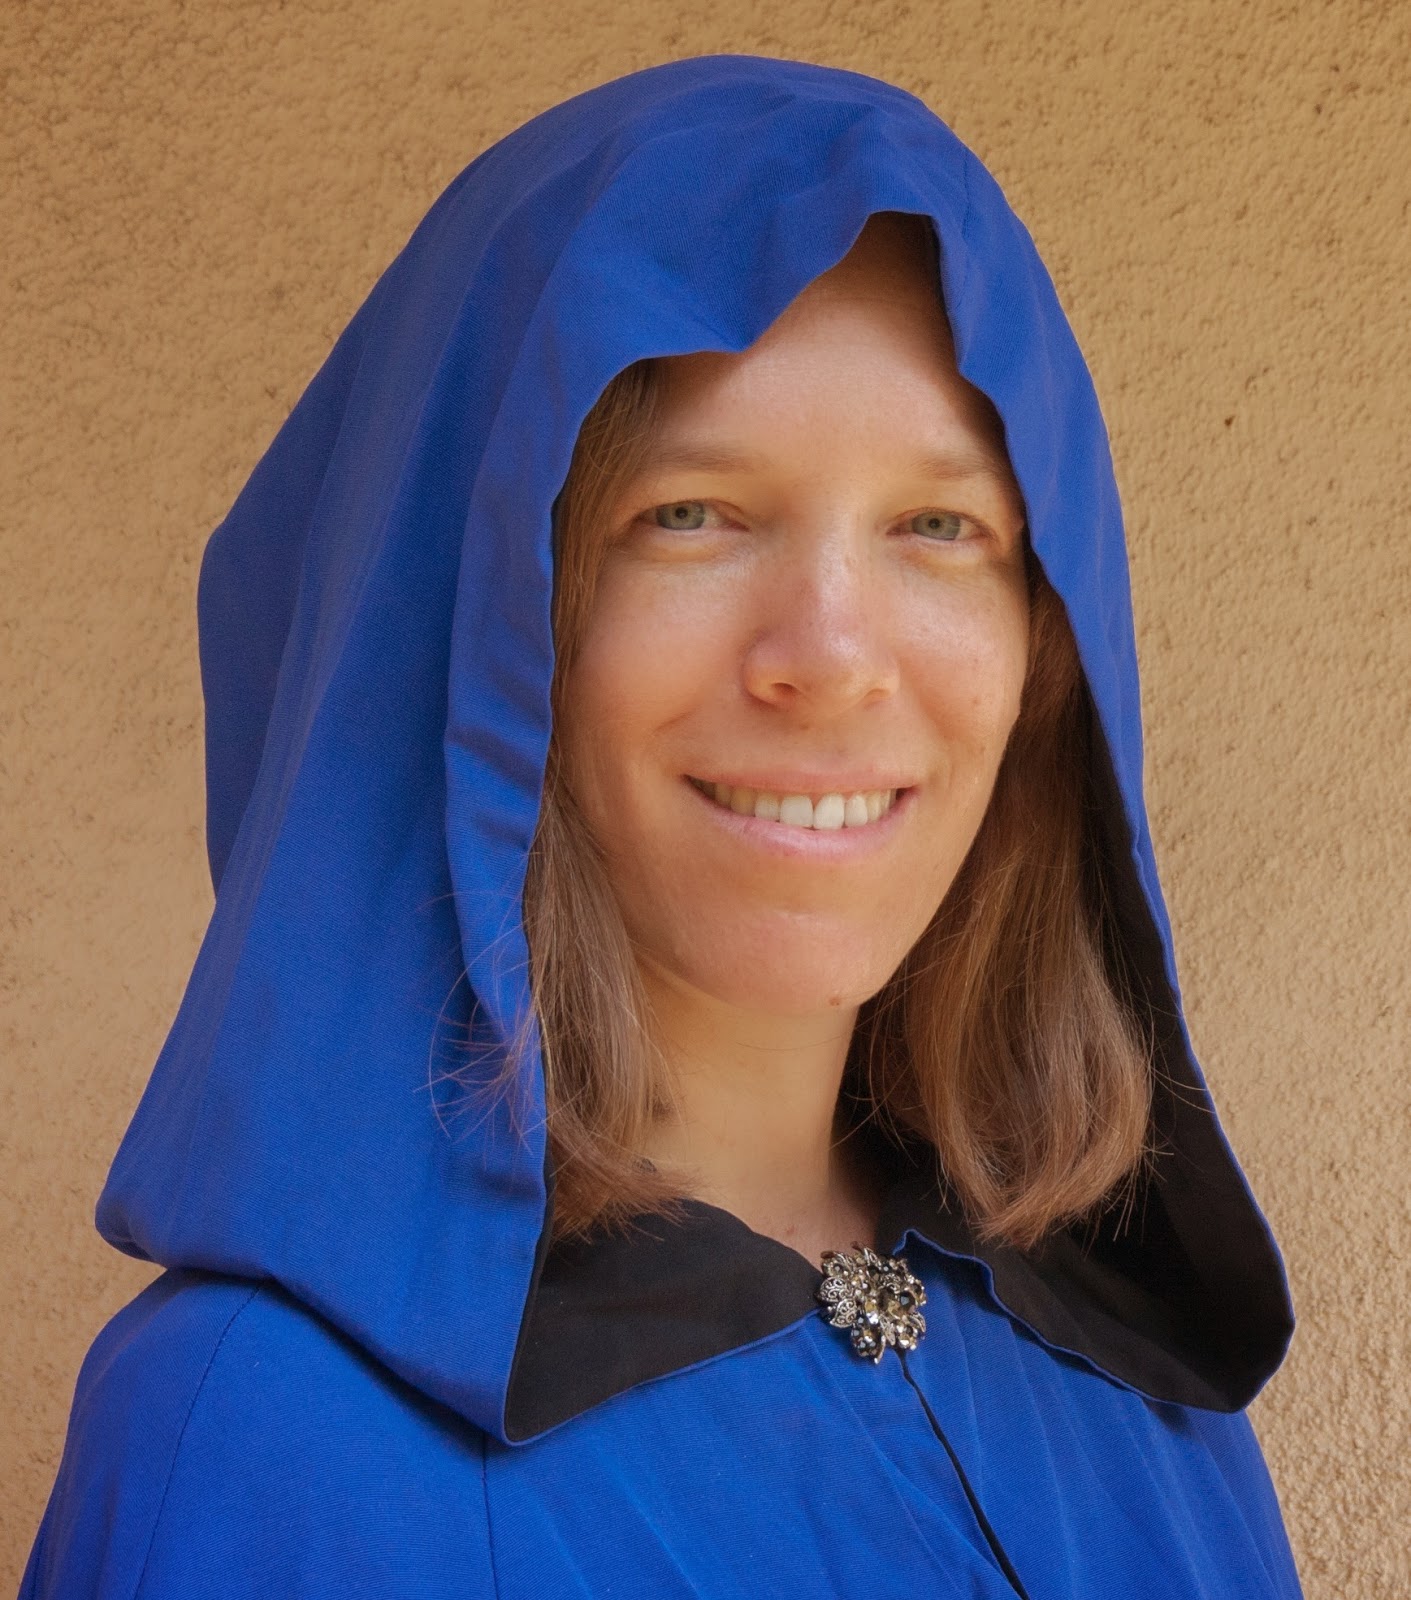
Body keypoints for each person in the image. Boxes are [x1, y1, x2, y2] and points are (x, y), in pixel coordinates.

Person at [20, 54, 1303, 1599]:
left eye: (940, 526)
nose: (831, 655)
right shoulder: (266, 1445)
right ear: (484, 617)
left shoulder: (1142, 1391)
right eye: (688, 514)